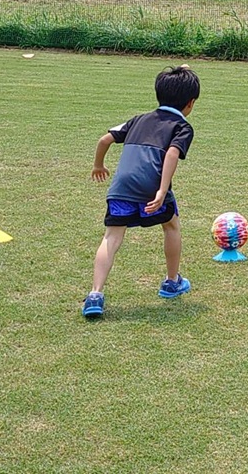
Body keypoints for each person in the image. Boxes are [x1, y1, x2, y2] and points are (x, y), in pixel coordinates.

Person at [82, 65, 200, 318]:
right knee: (171, 225)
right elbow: (171, 154)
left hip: (121, 187)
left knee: (111, 237)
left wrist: (98, 165)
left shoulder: (138, 119)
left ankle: (95, 294)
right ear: (190, 103)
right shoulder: (182, 127)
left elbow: (105, 139)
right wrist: (162, 189)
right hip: (150, 187)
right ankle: (171, 282)